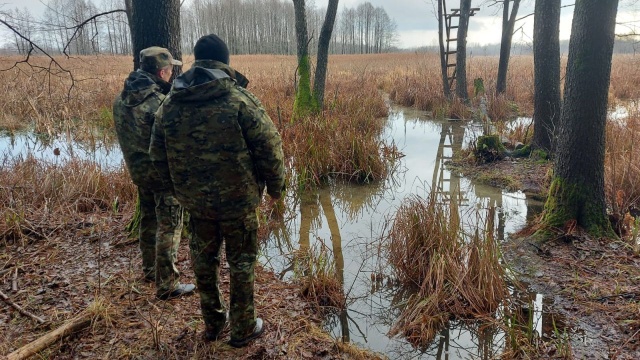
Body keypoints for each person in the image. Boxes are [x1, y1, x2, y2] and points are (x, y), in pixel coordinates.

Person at [149, 34, 285, 347]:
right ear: (225, 62)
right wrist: (277, 188)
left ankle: (213, 323)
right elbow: (270, 148)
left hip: (196, 205)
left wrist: (178, 190)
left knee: (203, 261)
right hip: (238, 204)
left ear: (196, 60)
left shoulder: (170, 104)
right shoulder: (238, 100)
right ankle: (242, 327)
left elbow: (156, 156)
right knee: (241, 263)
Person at [113, 47, 195, 300]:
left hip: (139, 172)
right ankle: (168, 284)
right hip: (163, 176)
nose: (172, 74)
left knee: (149, 220)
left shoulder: (122, 98)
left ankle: (150, 270)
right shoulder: (160, 104)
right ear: (162, 71)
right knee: (170, 226)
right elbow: (178, 142)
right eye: (171, 70)